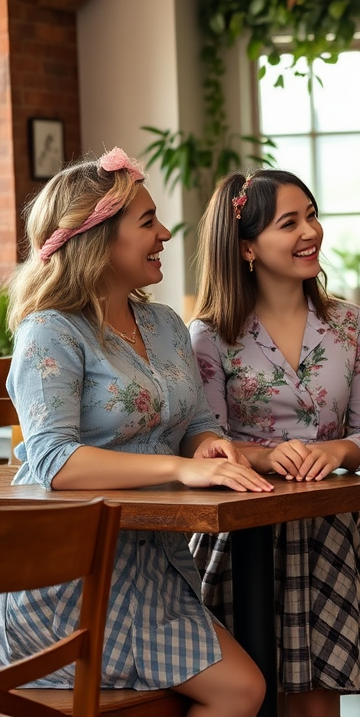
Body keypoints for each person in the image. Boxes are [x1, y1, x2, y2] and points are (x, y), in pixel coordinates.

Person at [0, 148, 270, 717]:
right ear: (97, 242)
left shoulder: (166, 323)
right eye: (147, 222)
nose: (166, 233)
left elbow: (196, 423)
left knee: (241, 688)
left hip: (156, 565)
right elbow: (55, 461)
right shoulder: (49, 331)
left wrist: (206, 445)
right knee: (238, 690)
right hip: (71, 577)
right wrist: (180, 467)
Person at [189, 169, 360, 717]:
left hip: (327, 528)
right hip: (240, 532)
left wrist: (336, 452)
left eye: (313, 215)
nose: (311, 232)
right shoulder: (210, 335)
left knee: (317, 708)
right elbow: (203, 439)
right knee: (245, 700)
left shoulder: (349, 324)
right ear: (248, 246)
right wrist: (265, 456)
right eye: (290, 222)